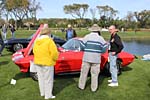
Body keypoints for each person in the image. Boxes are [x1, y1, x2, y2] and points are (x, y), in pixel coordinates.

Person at [78, 24, 107, 92]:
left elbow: (81, 46)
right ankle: (94, 88)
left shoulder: (87, 37)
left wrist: (86, 49)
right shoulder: (101, 38)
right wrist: (99, 52)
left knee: (83, 73)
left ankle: (81, 86)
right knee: (95, 74)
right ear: (98, 30)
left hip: (86, 58)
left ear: (91, 30)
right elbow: (105, 48)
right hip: (96, 59)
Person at [33, 26, 59, 99]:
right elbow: (54, 53)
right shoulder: (49, 41)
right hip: (47, 62)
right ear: (48, 33)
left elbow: (34, 51)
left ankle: (43, 92)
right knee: (48, 79)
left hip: (38, 62)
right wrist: (55, 59)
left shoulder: (36, 41)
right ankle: (48, 95)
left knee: (41, 78)